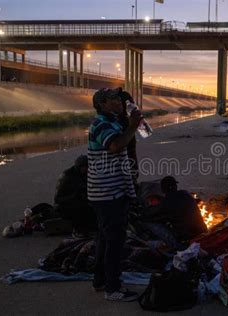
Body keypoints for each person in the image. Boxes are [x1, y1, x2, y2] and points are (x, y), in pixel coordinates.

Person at [88, 88, 141, 301]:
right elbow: (115, 146)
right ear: (102, 104)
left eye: (119, 99)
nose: (119, 101)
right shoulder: (100, 124)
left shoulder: (115, 122)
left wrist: (131, 117)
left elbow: (128, 143)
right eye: (114, 99)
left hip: (115, 190)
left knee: (105, 239)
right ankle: (113, 289)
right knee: (115, 242)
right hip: (106, 193)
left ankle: (100, 280)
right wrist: (133, 126)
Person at [54, 155, 96, 237]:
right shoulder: (66, 176)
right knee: (80, 207)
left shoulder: (86, 175)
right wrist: (74, 196)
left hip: (81, 201)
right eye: (85, 167)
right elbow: (57, 199)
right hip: (65, 205)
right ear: (79, 167)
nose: (87, 170)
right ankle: (79, 230)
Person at [159, 176, 208, 242]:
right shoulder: (185, 193)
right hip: (203, 231)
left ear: (164, 189)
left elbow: (159, 216)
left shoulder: (166, 201)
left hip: (187, 238)